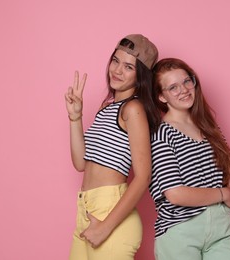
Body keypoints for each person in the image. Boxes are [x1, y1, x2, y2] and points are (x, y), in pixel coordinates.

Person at [149, 58, 230, 260]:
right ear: (161, 97)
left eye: (186, 81)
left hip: (222, 228)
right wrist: (222, 194)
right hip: (180, 230)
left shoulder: (208, 128)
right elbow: (175, 194)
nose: (183, 90)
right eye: (173, 87)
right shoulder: (161, 133)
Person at [64, 34, 159, 260]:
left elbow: (144, 176)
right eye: (115, 61)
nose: (117, 70)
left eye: (128, 67)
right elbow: (80, 163)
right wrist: (75, 118)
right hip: (86, 211)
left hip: (111, 214)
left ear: (140, 76)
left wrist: (105, 227)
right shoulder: (106, 109)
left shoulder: (133, 109)